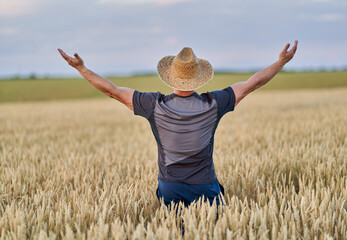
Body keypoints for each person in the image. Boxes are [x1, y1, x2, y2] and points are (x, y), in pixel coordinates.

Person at [58, 41, 298, 207]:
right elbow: (252, 83)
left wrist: (81, 68)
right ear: (198, 78)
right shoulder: (215, 103)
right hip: (205, 185)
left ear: (170, 76)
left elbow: (112, 91)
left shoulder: (153, 104)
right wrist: (280, 62)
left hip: (169, 187)